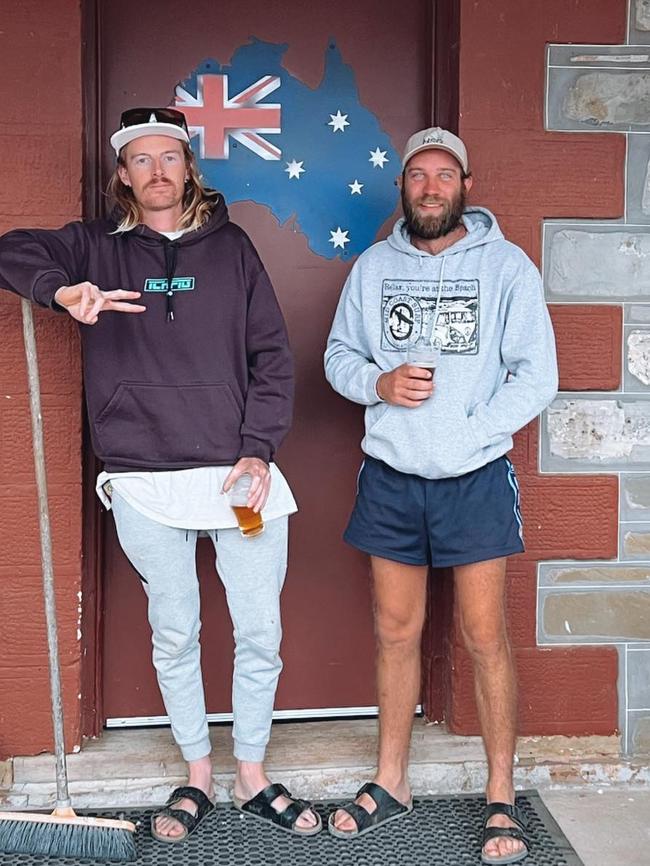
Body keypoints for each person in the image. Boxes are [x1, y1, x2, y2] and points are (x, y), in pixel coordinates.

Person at [0, 107, 320, 841]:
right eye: (140, 160)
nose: (156, 171)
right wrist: (62, 291)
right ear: (122, 173)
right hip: (143, 472)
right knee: (175, 632)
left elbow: (271, 355)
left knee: (260, 630)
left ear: (188, 168)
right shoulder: (93, 246)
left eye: (168, 158)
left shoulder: (233, 249)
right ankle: (198, 772)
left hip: (237, 473)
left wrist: (258, 445)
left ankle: (252, 772)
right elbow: (10, 250)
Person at [324, 127, 557, 863]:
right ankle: (391, 782)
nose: (430, 187)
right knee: (396, 632)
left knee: (484, 637)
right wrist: (378, 384)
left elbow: (537, 375)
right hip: (392, 477)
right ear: (402, 188)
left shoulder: (507, 268)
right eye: (418, 176)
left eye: (444, 175)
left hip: (476, 478)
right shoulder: (371, 268)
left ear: (465, 186)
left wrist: (470, 432)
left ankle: (499, 796)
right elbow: (338, 356)